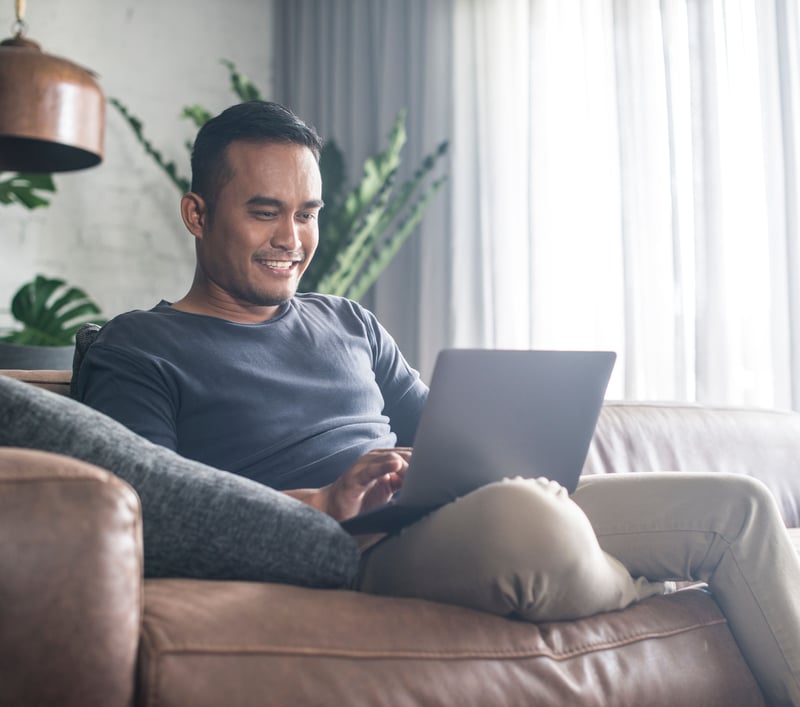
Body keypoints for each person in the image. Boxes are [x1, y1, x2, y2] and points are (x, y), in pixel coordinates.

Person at [74, 101, 800, 706]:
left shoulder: (347, 322)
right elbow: (146, 513)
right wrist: (322, 503)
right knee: (530, 521)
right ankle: (644, 580)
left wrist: (499, 448)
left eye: (307, 213)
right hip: (349, 549)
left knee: (736, 504)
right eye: (265, 212)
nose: (291, 239)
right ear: (197, 213)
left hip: (456, 515)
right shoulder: (138, 347)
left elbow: (451, 438)